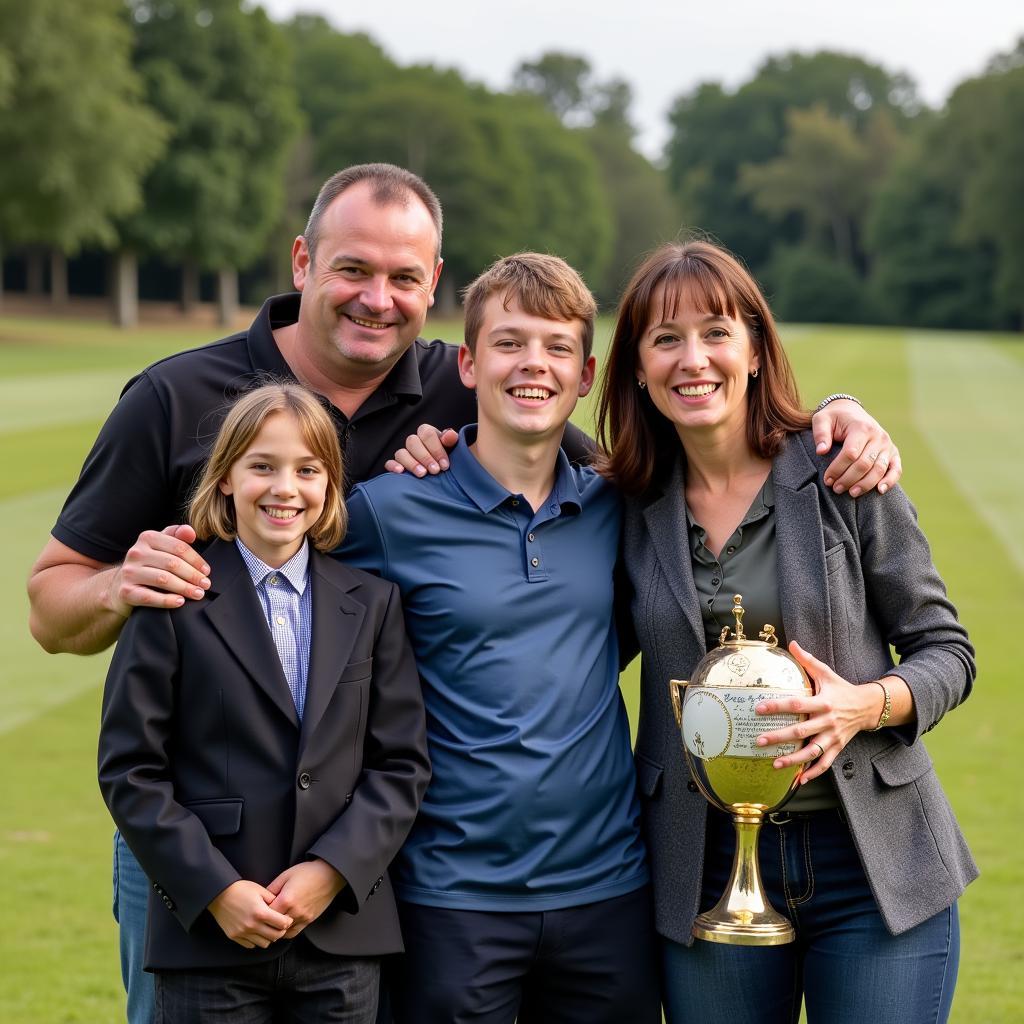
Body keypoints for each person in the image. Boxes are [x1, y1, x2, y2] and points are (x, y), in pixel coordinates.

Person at [26, 159, 896, 1023]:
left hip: (412, 863)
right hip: (211, 847)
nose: (378, 297)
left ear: (433, 286)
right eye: (352, 269)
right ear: (301, 263)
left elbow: (685, 452)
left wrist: (834, 415)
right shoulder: (178, 397)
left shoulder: (484, 397)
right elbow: (51, 603)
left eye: (404, 277)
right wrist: (118, 588)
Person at [594, 240, 977, 1024]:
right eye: (665, 339)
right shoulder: (623, 500)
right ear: (636, 366)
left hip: (874, 868)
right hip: (701, 867)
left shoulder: (842, 468)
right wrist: (438, 440)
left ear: (758, 350)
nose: (692, 359)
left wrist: (865, 705)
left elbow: (949, 651)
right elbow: (517, 435)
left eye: (716, 332)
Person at [340, 253, 659, 1023]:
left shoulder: (623, 506)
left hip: (608, 891)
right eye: (510, 343)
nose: (532, 366)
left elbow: (739, 459)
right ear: (469, 361)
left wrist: (842, 411)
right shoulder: (387, 511)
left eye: (555, 348)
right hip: (449, 896)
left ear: (584, 376)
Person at [98, 382, 430, 1023]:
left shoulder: (372, 603)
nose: (285, 488)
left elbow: (401, 765)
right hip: (211, 933)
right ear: (225, 479)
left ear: (331, 487)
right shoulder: (174, 599)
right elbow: (130, 769)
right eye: (262, 466)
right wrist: (215, 889)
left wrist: (333, 870)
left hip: (341, 930)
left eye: (308, 470)